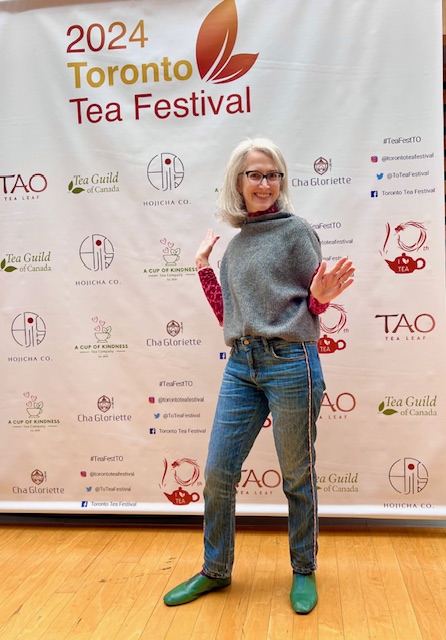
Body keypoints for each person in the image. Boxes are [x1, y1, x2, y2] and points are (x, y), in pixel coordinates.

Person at [163, 138, 355, 614]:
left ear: (281, 181)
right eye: (255, 174)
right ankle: (215, 570)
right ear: (238, 182)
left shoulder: (298, 232)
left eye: (273, 175)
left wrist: (323, 299)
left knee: (296, 474)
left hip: (291, 363)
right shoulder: (237, 245)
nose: (265, 183)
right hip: (241, 367)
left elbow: (309, 307)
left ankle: (304, 569)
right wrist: (204, 269)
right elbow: (229, 315)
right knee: (217, 473)